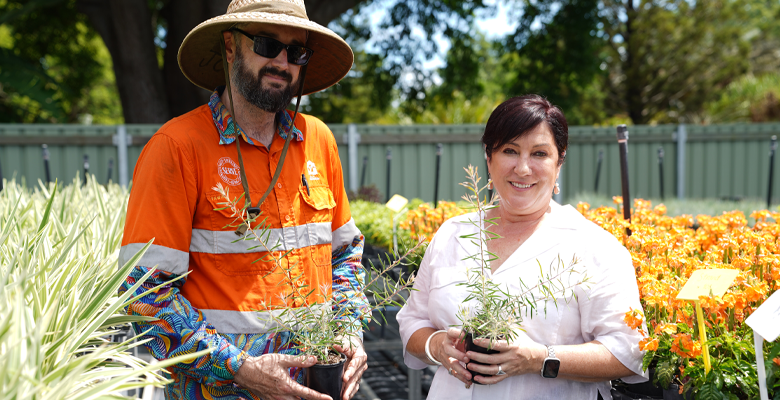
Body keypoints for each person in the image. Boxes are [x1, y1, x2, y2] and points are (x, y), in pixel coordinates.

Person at [118, 1, 368, 399]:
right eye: (268, 44)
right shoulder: (176, 148)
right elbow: (143, 295)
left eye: (296, 51)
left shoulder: (318, 140)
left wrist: (350, 330)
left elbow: (345, 256)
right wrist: (239, 368)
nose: (283, 62)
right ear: (231, 47)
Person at [396, 95, 648, 399]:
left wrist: (538, 359)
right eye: (510, 151)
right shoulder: (453, 233)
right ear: (489, 159)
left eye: (539, 153)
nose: (523, 168)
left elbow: (628, 351)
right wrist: (437, 346)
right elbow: (412, 321)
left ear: (559, 163)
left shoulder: (593, 245)